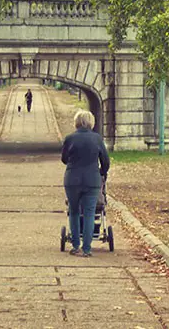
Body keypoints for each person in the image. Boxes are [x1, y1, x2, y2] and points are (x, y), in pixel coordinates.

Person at [61, 110, 110, 257]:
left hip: (72, 179)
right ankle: (87, 248)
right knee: (89, 213)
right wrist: (100, 172)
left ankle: (75, 245)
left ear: (76, 122)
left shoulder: (70, 138)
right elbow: (105, 161)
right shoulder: (97, 139)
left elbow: (64, 159)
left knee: (74, 211)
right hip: (92, 180)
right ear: (91, 122)